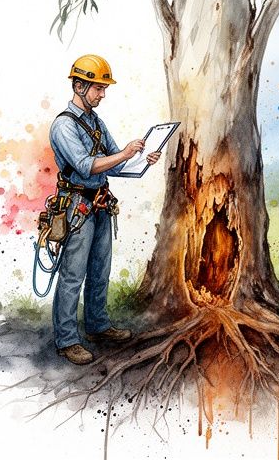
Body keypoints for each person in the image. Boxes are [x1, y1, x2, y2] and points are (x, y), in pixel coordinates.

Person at [49, 54, 161, 365]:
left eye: (103, 88)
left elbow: (114, 161)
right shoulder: (63, 125)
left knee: (100, 270)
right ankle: (67, 339)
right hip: (77, 206)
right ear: (79, 85)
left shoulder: (96, 122)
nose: (102, 94)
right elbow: (86, 166)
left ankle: (97, 325)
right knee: (73, 274)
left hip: (99, 203)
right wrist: (124, 153)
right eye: (98, 88)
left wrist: (139, 160)